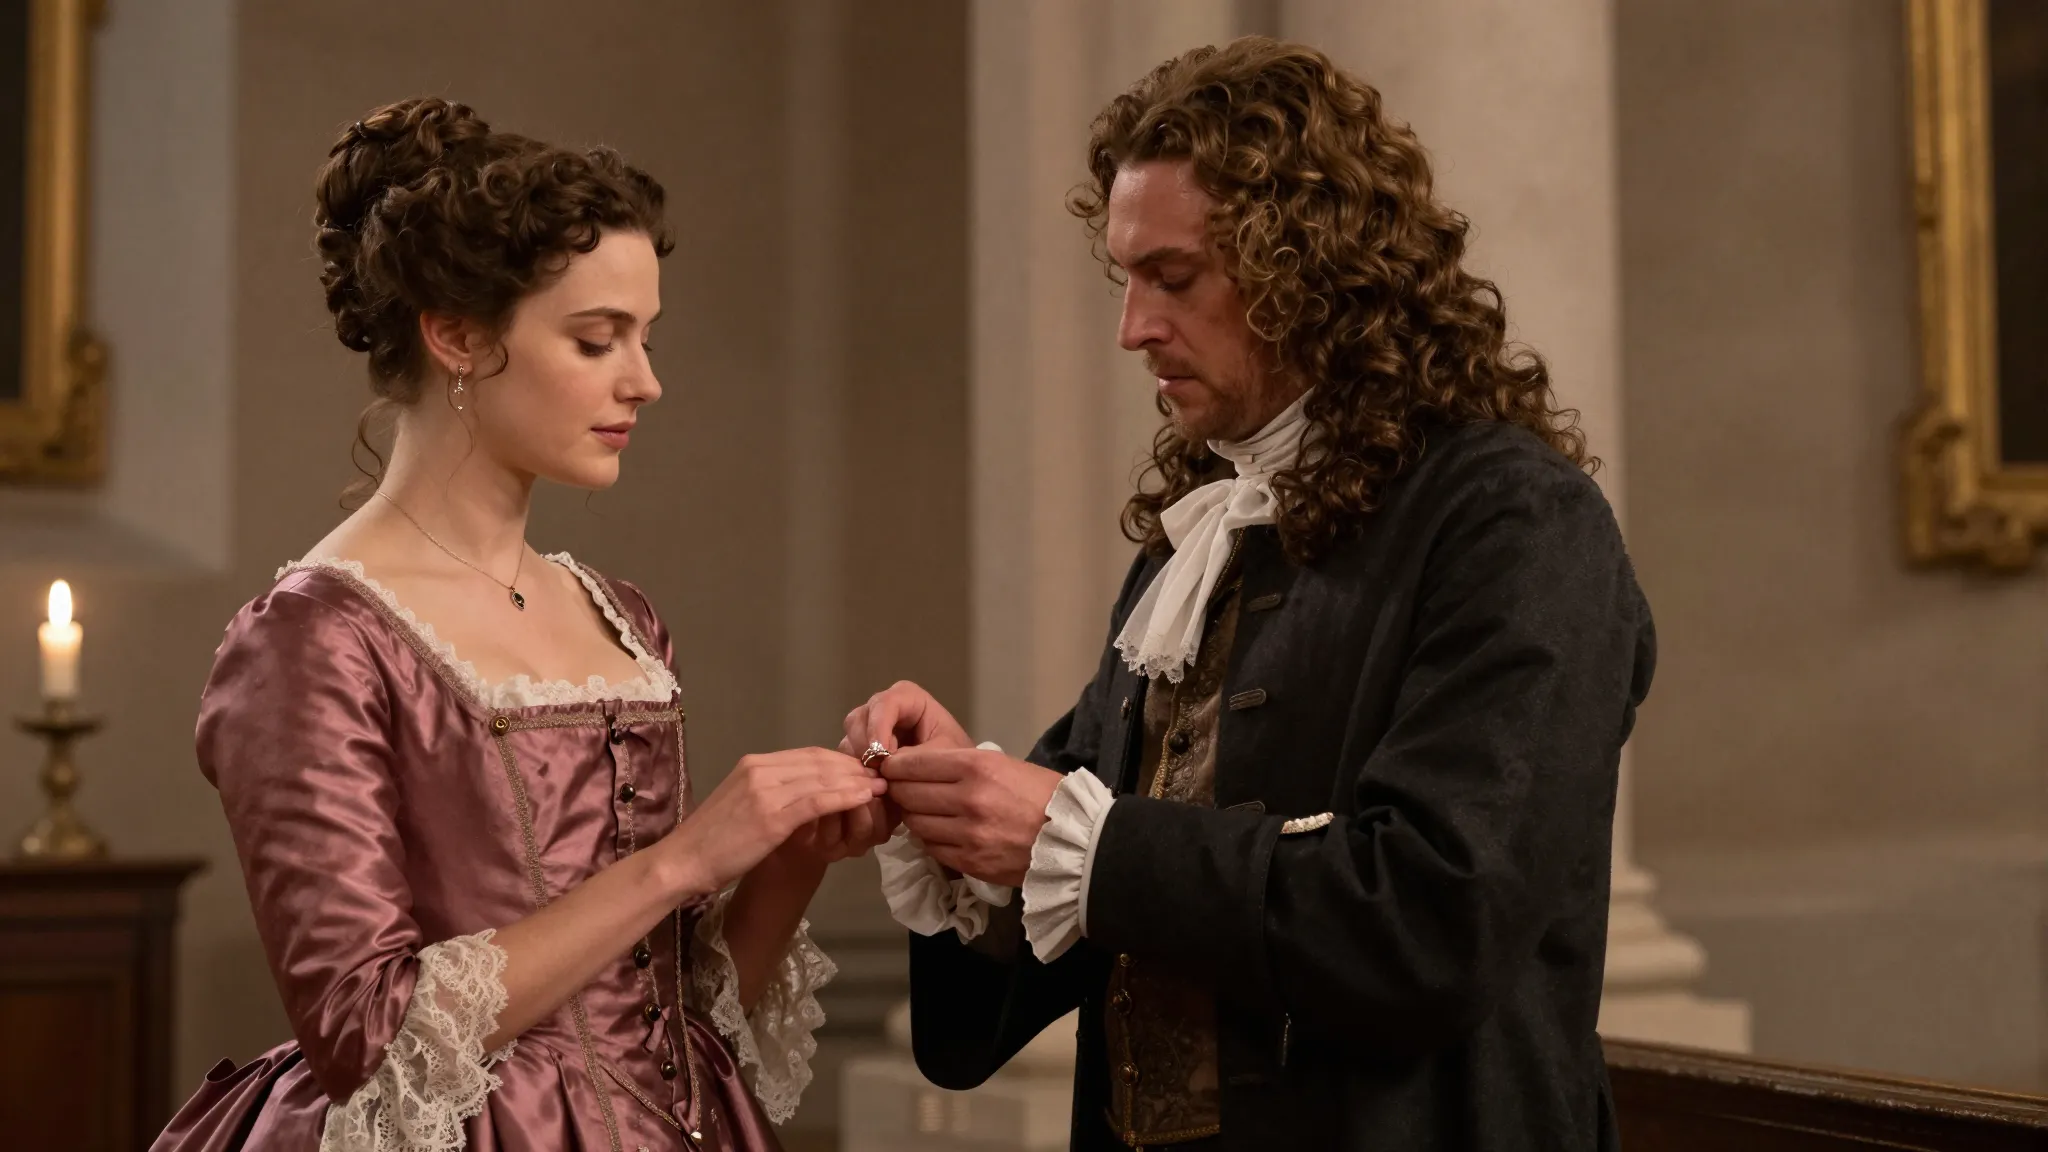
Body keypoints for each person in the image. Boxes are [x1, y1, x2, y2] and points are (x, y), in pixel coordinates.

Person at [849, 38, 1653, 1151]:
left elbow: (1436, 916)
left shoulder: (1514, 523)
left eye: (1173, 279)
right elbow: (1074, 865)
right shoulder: (1206, 537)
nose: (1133, 328)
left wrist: (1082, 844)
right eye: (1126, 280)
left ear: (1307, 268)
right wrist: (962, 819)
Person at [153, 97, 892, 1152]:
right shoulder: (312, 641)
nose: (645, 381)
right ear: (456, 335)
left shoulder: (621, 618)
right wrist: (683, 858)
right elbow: (365, 1033)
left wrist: (788, 857)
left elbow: (680, 1018)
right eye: (597, 340)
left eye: (645, 337)